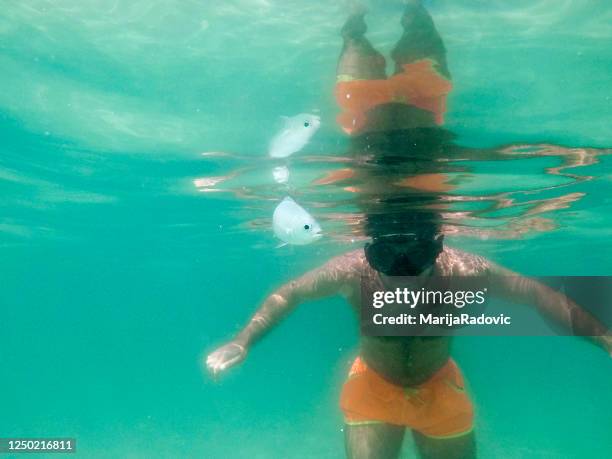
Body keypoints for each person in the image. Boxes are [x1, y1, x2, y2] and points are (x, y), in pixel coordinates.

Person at [207, 3, 611, 459]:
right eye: (389, 256)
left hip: (439, 389)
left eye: (414, 255)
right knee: (387, 73)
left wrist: (604, 338)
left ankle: (414, 13)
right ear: (369, 245)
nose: (400, 264)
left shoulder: (461, 270)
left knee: (396, 73)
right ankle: (354, 25)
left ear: (438, 243)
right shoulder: (353, 270)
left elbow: (543, 298)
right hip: (372, 387)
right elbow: (288, 295)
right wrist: (243, 340)